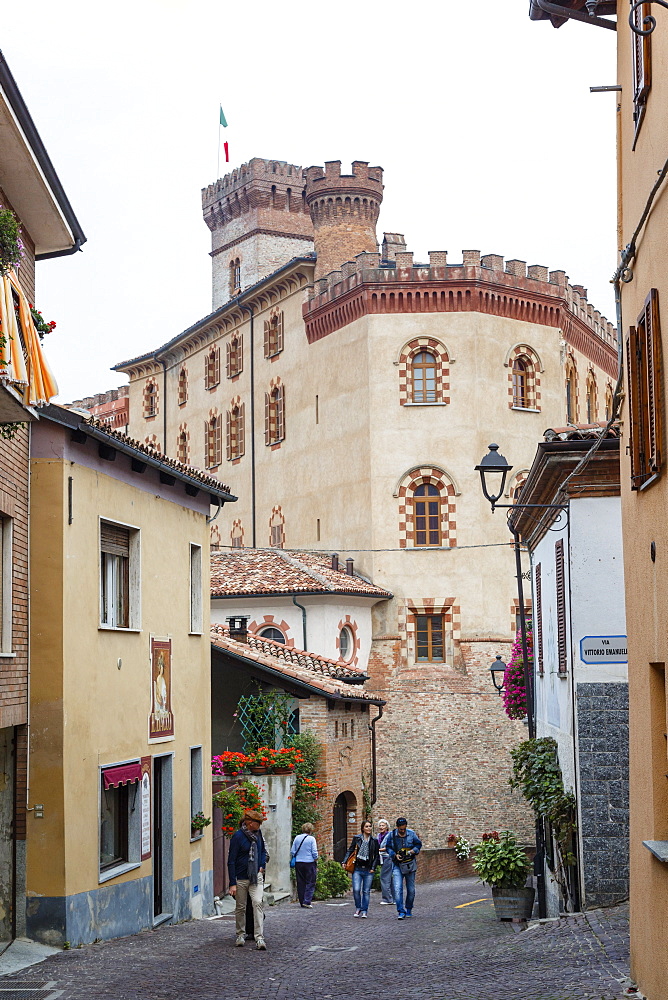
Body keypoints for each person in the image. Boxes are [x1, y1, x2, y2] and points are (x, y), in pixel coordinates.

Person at [227, 809, 268, 949]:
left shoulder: (258, 834)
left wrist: (261, 865)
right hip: (241, 877)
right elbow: (231, 860)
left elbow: (262, 851)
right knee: (241, 907)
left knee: (257, 903)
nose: (260, 826)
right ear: (250, 823)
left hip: (256, 877)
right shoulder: (238, 837)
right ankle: (240, 934)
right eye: (258, 823)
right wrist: (232, 883)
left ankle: (259, 938)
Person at [385, 816, 422, 920]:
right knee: (397, 888)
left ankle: (409, 908)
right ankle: (401, 911)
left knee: (411, 890)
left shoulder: (411, 834)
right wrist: (394, 855)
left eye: (404, 829)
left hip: (410, 864)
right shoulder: (392, 835)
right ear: (397, 827)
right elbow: (388, 847)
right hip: (397, 865)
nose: (402, 831)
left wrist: (412, 851)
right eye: (400, 829)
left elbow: (418, 844)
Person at [343, 819, 380, 918]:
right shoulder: (357, 838)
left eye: (370, 826)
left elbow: (376, 856)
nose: (368, 828)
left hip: (368, 869)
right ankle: (358, 908)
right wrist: (344, 861)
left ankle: (364, 910)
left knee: (366, 891)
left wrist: (373, 867)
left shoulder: (374, 841)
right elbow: (350, 850)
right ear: (362, 828)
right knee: (356, 889)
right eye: (366, 826)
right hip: (358, 868)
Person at [291, 822, 319, 908]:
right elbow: (314, 851)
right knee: (310, 882)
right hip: (309, 862)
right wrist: (315, 858)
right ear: (311, 830)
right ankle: (307, 901)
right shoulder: (311, 839)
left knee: (301, 882)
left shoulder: (297, 838)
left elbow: (292, 851)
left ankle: (302, 900)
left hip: (299, 862)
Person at [376, 818, 394, 905]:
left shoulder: (389, 835)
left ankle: (387, 899)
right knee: (390, 878)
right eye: (380, 825)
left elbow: (390, 847)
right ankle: (393, 898)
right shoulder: (378, 836)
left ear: (387, 827)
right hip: (382, 858)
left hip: (388, 858)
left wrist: (378, 849)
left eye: (383, 825)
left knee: (384, 877)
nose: (381, 827)